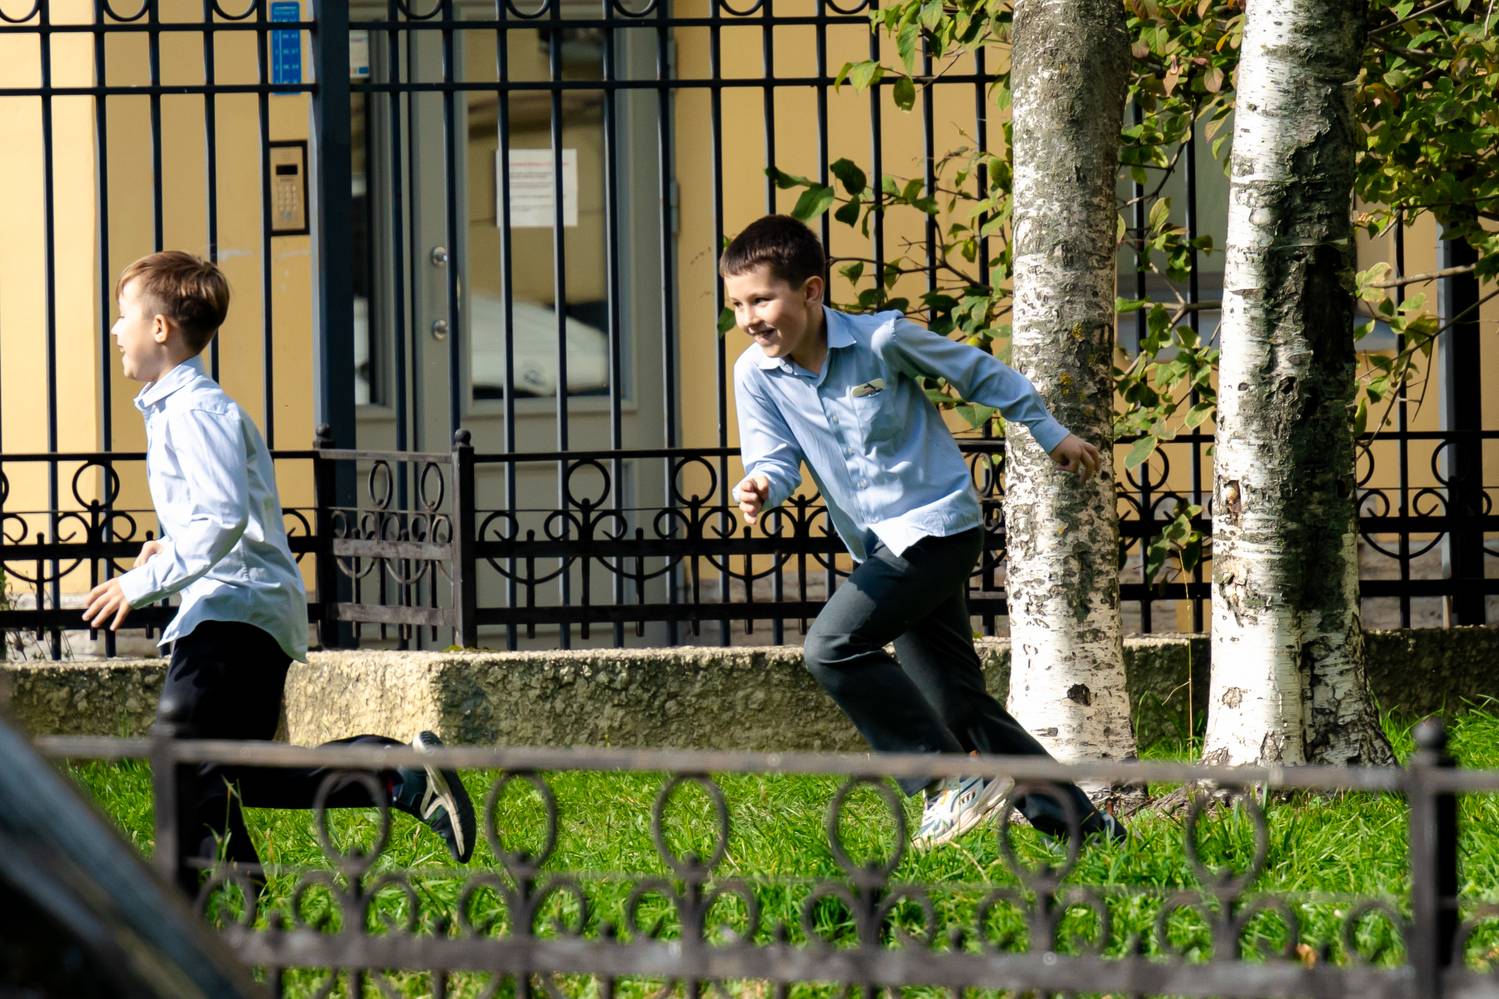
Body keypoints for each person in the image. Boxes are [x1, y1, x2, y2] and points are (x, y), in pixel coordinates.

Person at [82, 251, 476, 900]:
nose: (115, 329)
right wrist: (167, 551)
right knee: (227, 772)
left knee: (181, 754)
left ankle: (209, 914)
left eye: (123, 315)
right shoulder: (179, 410)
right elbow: (216, 518)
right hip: (239, 608)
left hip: (234, 612)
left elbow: (222, 518)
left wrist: (139, 584)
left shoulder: (195, 412)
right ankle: (392, 778)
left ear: (159, 328)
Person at [724, 215, 1125, 849]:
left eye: (762, 299)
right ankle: (1090, 833)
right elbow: (774, 457)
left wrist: (1051, 433)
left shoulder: (882, 340)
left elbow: (979, 373)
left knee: (831, 646)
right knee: (956, 704)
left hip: (939, 528)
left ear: (811, 291)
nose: (750, 318)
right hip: (882, 547)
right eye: (738, 306)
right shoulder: (755, 374)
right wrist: (760, 486)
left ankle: (948, 780)